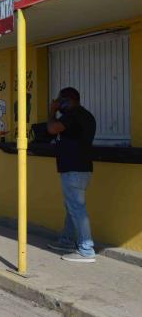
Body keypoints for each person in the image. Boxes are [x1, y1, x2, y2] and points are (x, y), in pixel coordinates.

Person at [46, 87, 97, 263]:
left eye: (60, 101)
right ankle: (67, 241)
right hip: (81, 168)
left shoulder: (73, 115)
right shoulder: (86, 115)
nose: (58, 104)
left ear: (68, 100)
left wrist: (52, 111)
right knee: (72, 207)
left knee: (77, 209)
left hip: (74, 169)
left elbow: (52, 129)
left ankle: (86, 249)